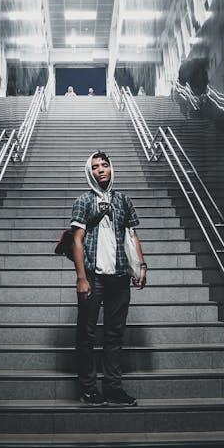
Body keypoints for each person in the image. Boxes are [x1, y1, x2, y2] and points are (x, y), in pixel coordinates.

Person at [70, 151, 147, 406]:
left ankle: (113, 388)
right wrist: (82, 278)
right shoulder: (84, 201)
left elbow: (132, 234)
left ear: (112, 168)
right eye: (95, 167)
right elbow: (77, 241)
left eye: (105, 165)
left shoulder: (124, 200)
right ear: (88, 172)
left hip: (120, 276)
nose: (100, 170)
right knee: (87, 334)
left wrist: (141, 265)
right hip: (93, 277)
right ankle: (88, 388)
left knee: (115, 334)